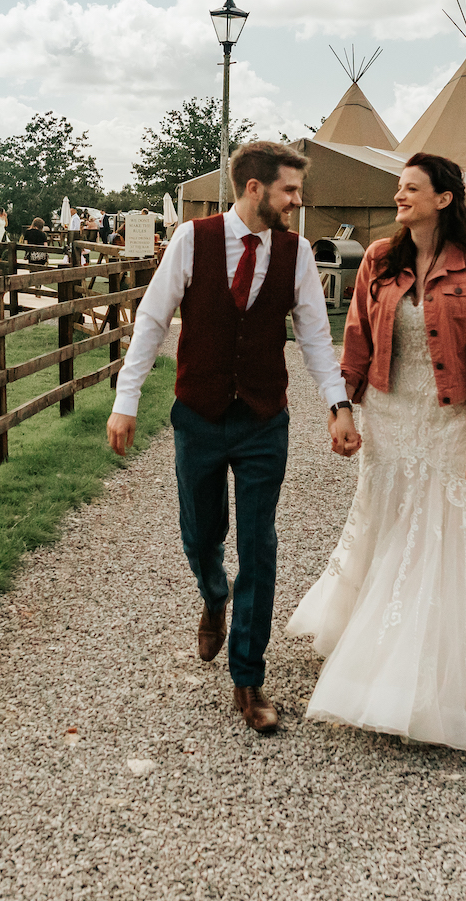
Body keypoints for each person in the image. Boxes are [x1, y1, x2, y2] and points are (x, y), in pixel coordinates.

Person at [106, 141, 360, 734]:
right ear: (254, 189)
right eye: (290, 191)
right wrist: (127, 401)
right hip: (198, 413)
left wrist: (337, 404)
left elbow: (317, 338)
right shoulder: (193, 240)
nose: (298, 202)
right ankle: (212, 592)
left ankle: (248, 677)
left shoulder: (297, 255)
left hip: (263, 420)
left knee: (260, 543)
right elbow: (152, 319)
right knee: (200, 532)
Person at [287, 152, 466, 753]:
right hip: (391, 414)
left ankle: (423, 667)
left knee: (435, 534)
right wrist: (340, 409)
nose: (400, 196)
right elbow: (355, 341)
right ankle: (369, 639)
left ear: (443, 199)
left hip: (446, 419)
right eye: (398, 188)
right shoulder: (378, 259)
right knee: (388, 522)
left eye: (411, 188)